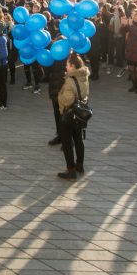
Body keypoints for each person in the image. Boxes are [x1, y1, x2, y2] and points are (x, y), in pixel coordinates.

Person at [57, 52, 90, 180]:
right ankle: (80, 165)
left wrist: (60, 95)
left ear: (72, 66)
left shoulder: (70, 80)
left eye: (67, 65)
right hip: (80, 114)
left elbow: (67, 100)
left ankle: (71, 170)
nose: (66, 67)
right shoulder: (84, 76)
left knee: (67, 143)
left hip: (69, 115)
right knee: (78, 139)